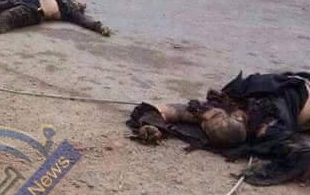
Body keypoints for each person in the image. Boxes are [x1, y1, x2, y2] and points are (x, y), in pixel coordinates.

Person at [127, 72, 310, 186]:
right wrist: (153, 126)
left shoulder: (224, 107)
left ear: (234, 114)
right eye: (205, 122)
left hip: (295, 88)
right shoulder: (267, 127)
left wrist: (151, 125)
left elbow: (162, 110)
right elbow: (162, 110)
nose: (204, 118)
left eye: (210, 118)